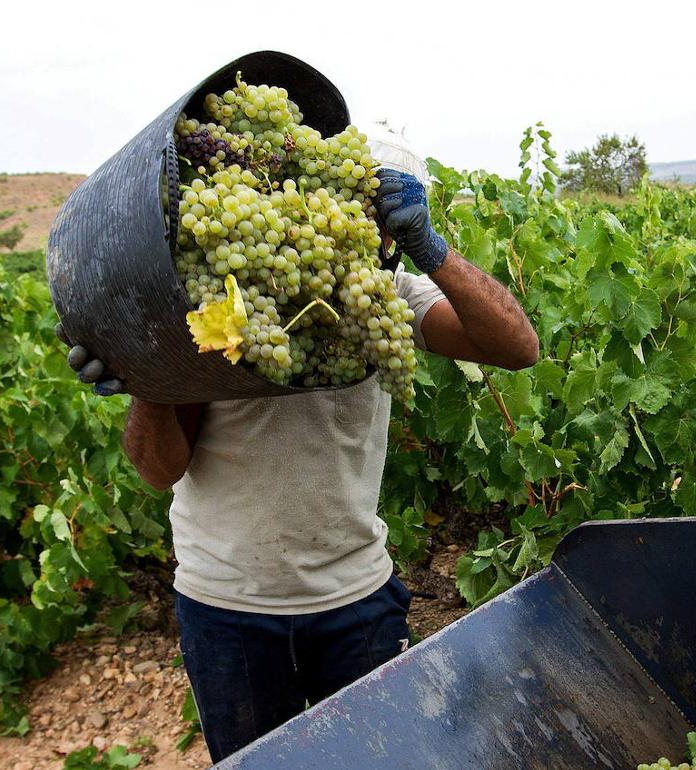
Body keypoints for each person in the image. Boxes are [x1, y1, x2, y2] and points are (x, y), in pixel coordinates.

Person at [57, 123, 538, 763]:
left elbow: (517, 348)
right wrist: (152, 378)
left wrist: (435, 252)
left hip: (357, 596)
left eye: (385, 221)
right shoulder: (230, 299)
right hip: (228, 607)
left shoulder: (388, 293)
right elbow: (159, 470)